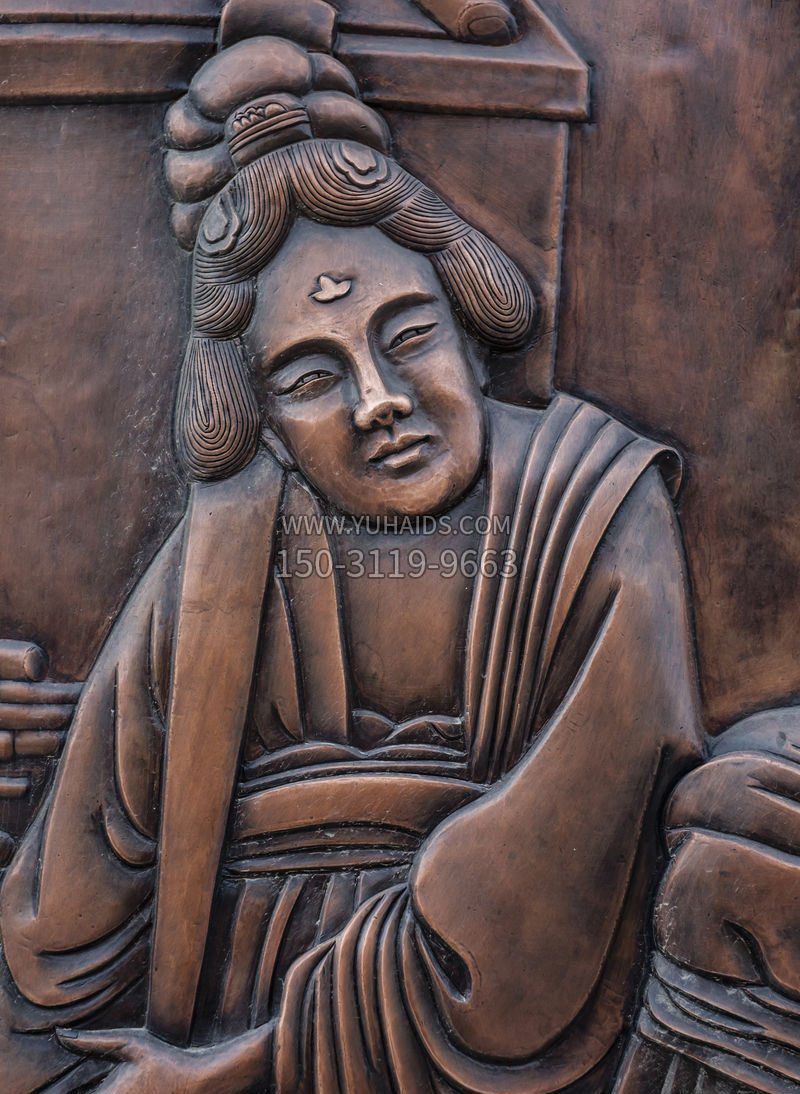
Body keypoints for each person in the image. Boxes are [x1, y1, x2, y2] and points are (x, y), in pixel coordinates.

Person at [0, 20, 705, 1094]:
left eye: (409, 334)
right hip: (216, 999)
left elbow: (550, 899)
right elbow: (68, 905)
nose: (379, 401)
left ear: (470, 328)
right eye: (311, 378)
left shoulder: (597, 506)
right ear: (267, 428)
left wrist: (244, 1069)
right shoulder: (227, 551)